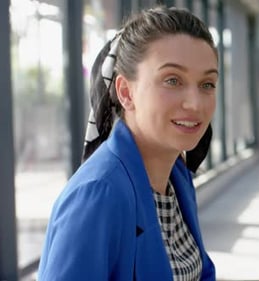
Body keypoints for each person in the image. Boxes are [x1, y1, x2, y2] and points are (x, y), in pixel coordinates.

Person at [38, 6, 218, 281]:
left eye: (207, 84)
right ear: (126, 92)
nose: (194, 103)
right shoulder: (99, 194)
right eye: (172, 80)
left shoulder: (177, 176)